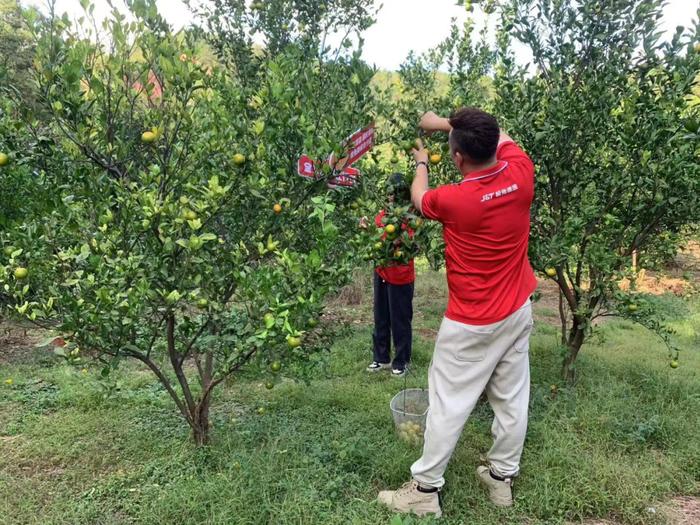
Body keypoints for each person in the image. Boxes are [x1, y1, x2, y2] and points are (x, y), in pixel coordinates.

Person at [377, 108, 537, 517]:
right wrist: (446, 125)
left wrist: (420, 161)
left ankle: (424, 490)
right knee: (512, 398)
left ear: (458, 159)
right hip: (517, 310)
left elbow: (418, 196)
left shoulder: (454, 200)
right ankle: (501, 479)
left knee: (448, 403)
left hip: (472, 322)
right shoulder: (521, 174)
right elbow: (498, 130)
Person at [363, 173, 415, 378]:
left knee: (400, 319)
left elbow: (406, 244)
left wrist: (393, 241)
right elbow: (376, 240)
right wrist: (367, 230)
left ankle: (401, 361)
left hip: (400, 275)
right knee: (381, 316)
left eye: (394, 193)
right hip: (381, 271)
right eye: (388, 193)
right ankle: (381, 357)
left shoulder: (409, 217)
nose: (390, 196)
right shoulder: (383, 214)